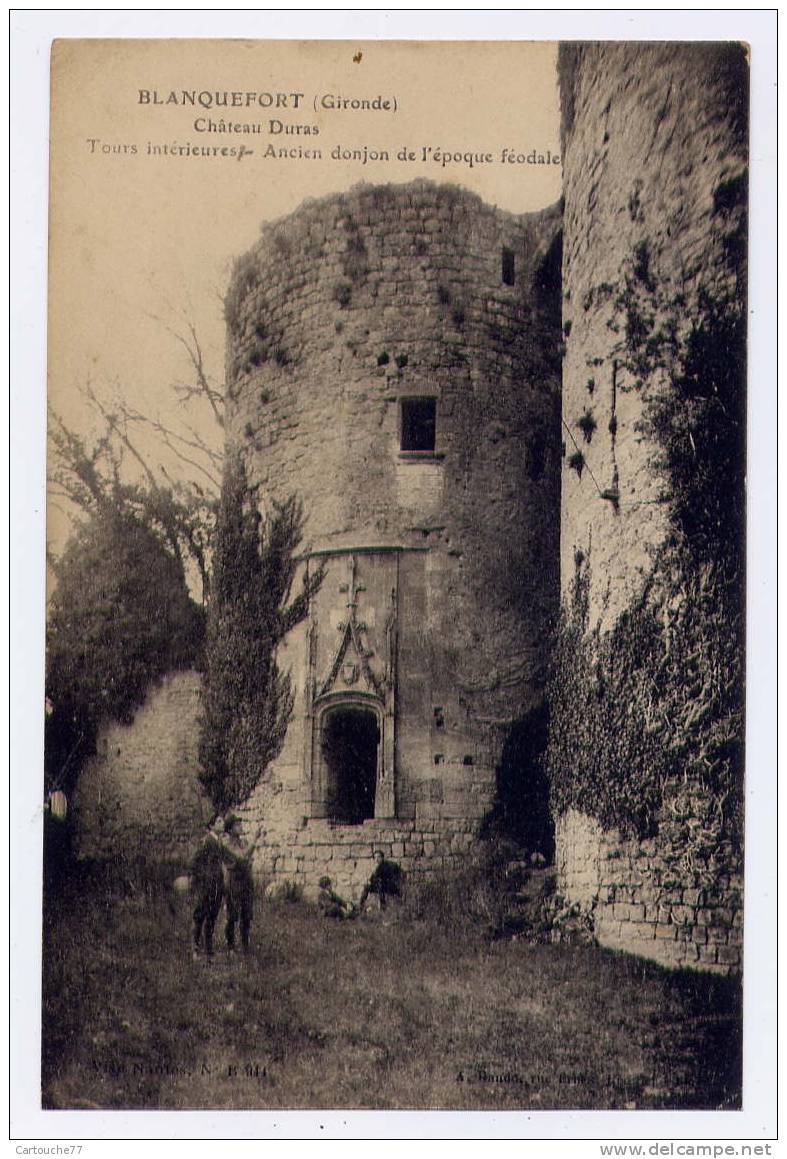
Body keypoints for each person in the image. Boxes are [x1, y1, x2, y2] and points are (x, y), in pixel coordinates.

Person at [219, 814, 255, 953]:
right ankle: (230, 946)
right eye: (237, 825)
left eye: (240, 824)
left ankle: (245, 944)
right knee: (232, 915)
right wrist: (255, 841)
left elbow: (248, 860)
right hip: (233, 882)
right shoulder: (227, 844)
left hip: (245, 880)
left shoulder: (243, 842)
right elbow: (240, 858)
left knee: (247, 914)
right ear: (230, 828)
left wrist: (245, 858)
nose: (241, 826)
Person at [190, 825, 225, 958]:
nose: (222, 823)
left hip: (217, 885)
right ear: (212, 825)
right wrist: (202, 878)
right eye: (219, 820)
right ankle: (195, 948)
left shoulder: (219, 841)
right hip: (206, 886)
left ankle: (209, 949)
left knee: (212, 917)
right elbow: (195, 860)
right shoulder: (207, 840)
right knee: (200, 916)